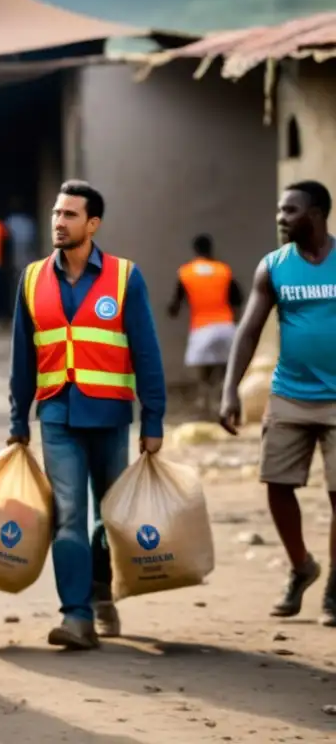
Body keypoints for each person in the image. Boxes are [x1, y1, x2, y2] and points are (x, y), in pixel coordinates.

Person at [8, 180, 166, 649]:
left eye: (70, 215)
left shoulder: (124, 277)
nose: (59, 222)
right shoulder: (33, 278)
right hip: (56, 413)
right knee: (69, 513)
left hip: (111, 415)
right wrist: (18, 421)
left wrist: (153, 419)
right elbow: (23, 357)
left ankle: (101, 594)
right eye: (57, 214)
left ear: (93, 224)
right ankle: (75, 615)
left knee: (109, 516)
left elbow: (147, 352)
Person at [220, 180, 336, 627]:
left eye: (290, 210)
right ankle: (301, 565)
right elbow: (249, 329)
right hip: (290, 394)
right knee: (277, 484)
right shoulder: (273, 267)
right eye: (280, 210)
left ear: (317, 213)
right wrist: (231, 390)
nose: (280, 218)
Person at [168, 234, 242, 417]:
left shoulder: (186, 273)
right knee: (225, 370)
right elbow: (238, 298)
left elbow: (175, 305)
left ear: (195, 250)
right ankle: (224, 404)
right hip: (226, 327)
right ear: (211, 249)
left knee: (203, 374)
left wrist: (173, 310)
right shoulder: (223, 270)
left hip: (202, 328)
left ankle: (205, 406)